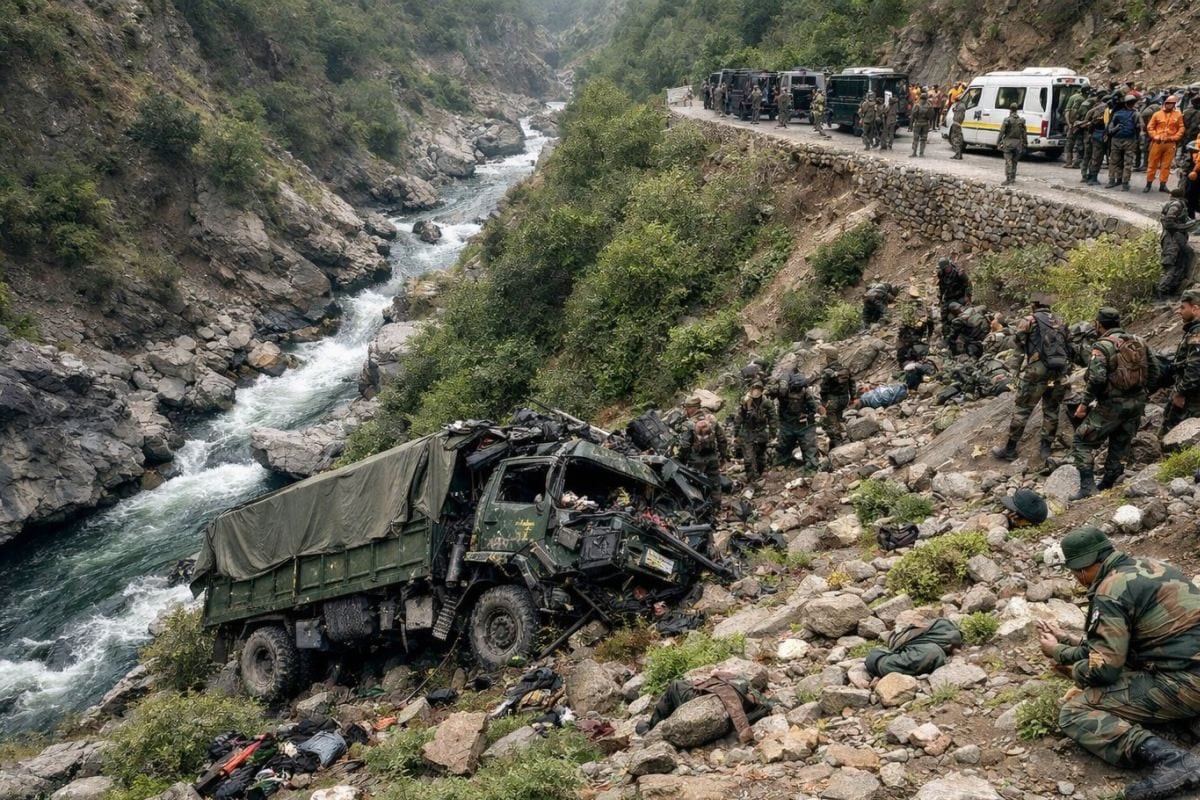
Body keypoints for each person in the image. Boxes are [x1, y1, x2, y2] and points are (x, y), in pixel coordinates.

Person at [1044, 525, 1200, 800]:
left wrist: (1073, 668)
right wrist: (1064, 644)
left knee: (1075, 711)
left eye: (1075, 572)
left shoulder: (1109, 591)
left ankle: (1173, 761)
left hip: (1188, 682)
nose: (1077, 579)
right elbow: (1123, 644)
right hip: (1189, 668)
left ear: (1082, 567)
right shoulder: (1152, 566)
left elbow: (1104, 668)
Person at [1069, 307, 1159, 499]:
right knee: (1120, 443)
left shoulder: (1102, 346)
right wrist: (1144, 394)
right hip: (1136, 405)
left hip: (1111, 406)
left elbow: (1097, 378)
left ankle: (1087, 487)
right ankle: (1109, 485)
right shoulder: (1139, 341)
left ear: (1098, 324)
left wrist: (1084, 404)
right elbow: (1155, 371)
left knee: (1081, 440)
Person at [992, 296, 1071, 462]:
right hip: (1058, 371)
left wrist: (1014, 372)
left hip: (1036, 371)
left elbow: (1018, 348)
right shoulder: (1061, 321)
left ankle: (1011, 449)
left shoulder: (1029, 320)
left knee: (1022, 409)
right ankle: (1045, 450)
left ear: (1035, 305)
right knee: (1051, 410)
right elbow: (1068, 346)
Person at [677, 395, 728, 507]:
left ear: (692, 408)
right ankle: (716, 506)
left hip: (696, 461)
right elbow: (722, 439)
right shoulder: (711, 420)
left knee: (697, 485)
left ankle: (704, 509)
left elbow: (684, 446)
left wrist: (681, 460)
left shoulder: (688, 424)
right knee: (715, 482)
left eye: (687, 408)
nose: (686, 410)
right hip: (712, 457)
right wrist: (723, 457)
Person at [1162, 288, 1200, 437]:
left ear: (1195, 308)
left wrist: (1181, 392)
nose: (1179, 311)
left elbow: (1196, 368)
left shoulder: (1197, 333)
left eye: (1183, 307)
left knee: (1170, 437)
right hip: (1191, 393)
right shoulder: (1193, 331)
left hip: (1192, 398)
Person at [773, 370, 822, 472]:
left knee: (809, 447)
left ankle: (810, 467)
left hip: (804, 425)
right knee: (783, 447)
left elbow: (814, 405)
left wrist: (813, 413)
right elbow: (770, 393)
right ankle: (783, 465)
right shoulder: (783, 391)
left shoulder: (806, 392)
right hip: (787, 424)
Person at [733, 380, 777, 483]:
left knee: (760, 457)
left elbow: (773, 418)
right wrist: (736, 433)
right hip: (748, 432)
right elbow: (739, 417)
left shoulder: (767, 403)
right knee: (748, 459)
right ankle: (752, 479)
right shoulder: (746, 402)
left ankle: (760, 474)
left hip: (761, 432)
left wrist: (773, 432)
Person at [1157, 195, 1197, 298]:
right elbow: (1169, 224)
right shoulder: (1176, 205)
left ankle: (1168, 291)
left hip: (1173, 238)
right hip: (1172, 240)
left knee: (1179, 265)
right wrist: (1184, 227)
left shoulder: (1173, 205)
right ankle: (1161, 293)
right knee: (1170, 268)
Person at [817, 344, 855, 449]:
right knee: (838, 418)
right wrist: (853, 397)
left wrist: (823, 403)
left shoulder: (826, 372)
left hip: (832, 400)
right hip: (844, 399)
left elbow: (823, 389)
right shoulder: (845, 369)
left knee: (830, 423)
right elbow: (852, 384)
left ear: (828, 358)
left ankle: (838, 444)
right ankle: (845, 437)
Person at [1145, 95, 1184, 193]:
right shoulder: (1157, 114)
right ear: (1164, 104)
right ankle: (1148, 183)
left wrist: (1175, 137)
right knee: (1152, 164)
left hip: (1170, 143)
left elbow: (1181, 128)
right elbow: (1150, 127)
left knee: (1166, 165)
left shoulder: (1178, 115)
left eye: (1172, 104)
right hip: (1157, 142)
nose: (1169, 105)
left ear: (1174, 104)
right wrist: (1155, 136)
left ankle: (1163, 184)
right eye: (1168, 103)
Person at [1106, 94, 1140, 191]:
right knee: (1127, 162)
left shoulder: (1117, 113)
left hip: (1116, 139)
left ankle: (1112, 180)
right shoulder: (1136, 114)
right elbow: (1139, 127)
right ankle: (1125, 183)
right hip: (1129, 140)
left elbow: (1110, 128)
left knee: (1114, 161)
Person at [936, 257, 971, 343]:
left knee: (963, 312)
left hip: (960, 296)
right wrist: (940, 299)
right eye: (944, 268)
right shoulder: (941, 274)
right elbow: (941, 287)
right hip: (949, 298)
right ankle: (946, 336)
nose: (947, 269)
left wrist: (968, 297)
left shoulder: (959, 273)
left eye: (947, 267)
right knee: (943, 313)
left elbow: (968, 285)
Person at [897, 287, 935, 368]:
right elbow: (930, 321)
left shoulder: (907, 306)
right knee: (914, 345)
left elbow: (904, 321)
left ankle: (907, 364)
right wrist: (929, 334)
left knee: (906, 348)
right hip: (917, 331)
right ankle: (916, 362)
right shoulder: (925, 305)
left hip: (909, 331)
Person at [998, 103, 1028, 185]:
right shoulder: (1021, 121)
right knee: (1014, 162)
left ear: (1010, 110)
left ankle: (1008, 178)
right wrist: (1025, 143)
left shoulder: (1007, 120)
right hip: (1018, 144)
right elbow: (1024, 133)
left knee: (1008, 161)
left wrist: (998, 142)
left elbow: (1002, 132)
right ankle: (1013, 178)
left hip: (1008, 143)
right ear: (1017, 110)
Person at [1063, 88, 1088, 169]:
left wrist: (1069, 124)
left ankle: (1068, 162)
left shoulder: (1073, 97)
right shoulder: (1086, 100)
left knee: (1069, 144)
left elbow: (1067, 112)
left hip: (1072, 125)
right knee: (1079, 144)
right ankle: (1076, 162)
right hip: (1080, 125)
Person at [910, 91, 933, 157]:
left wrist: (911, 125)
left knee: (915, 138)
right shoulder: (929, 106)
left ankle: (914, 153)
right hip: (926, 124)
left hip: (918, 123)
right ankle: (921, 153)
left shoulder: (917, 105)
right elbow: (931, 116)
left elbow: (913, 115)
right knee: (923, 139)